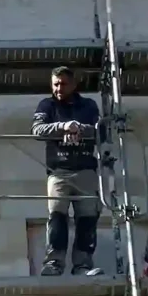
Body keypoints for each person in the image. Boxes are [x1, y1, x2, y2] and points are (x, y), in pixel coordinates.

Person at [32, 62, 105, 275]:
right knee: (57, 218)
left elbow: (102, 132)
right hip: (58, 172)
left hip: (85, 171)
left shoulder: (89, 106)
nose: (58, 89)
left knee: (87, 220)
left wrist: (80, 129)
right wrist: (63, 126)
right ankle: (53, 263)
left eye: (63, 84)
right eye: (55, 84)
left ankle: (82, 265)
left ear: (74, 84)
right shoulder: (47, 105)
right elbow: (37, 130)